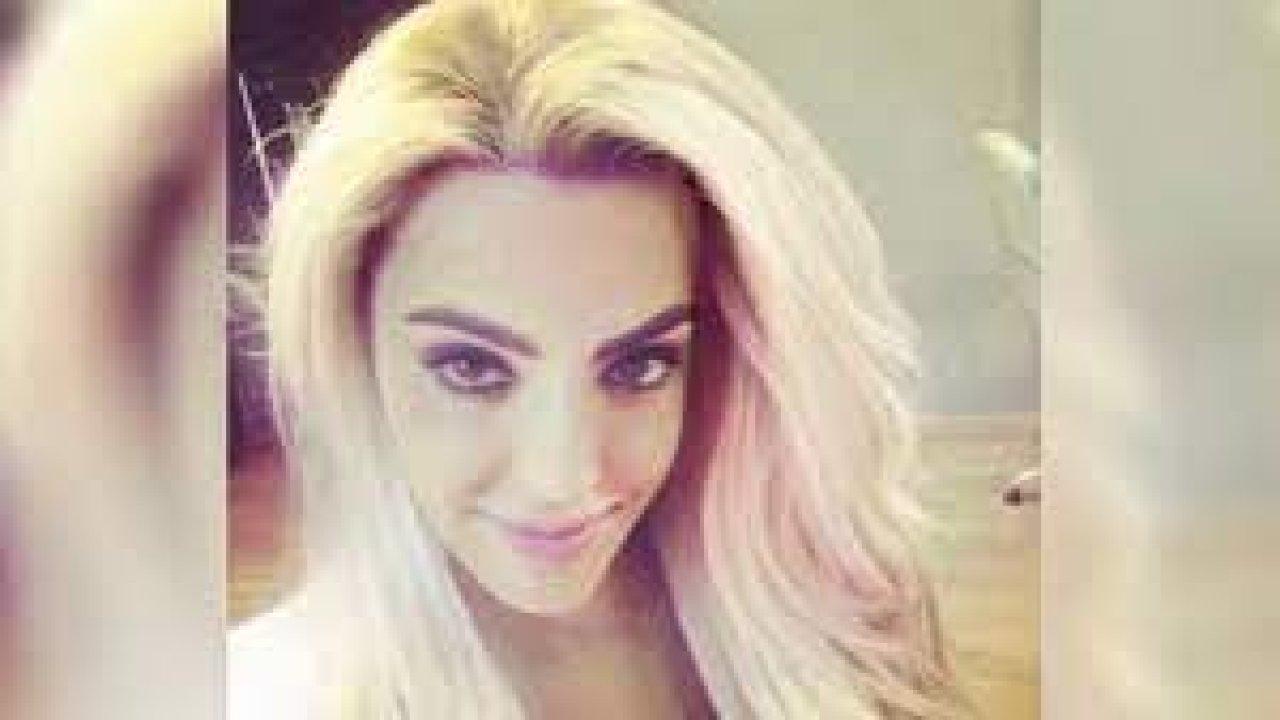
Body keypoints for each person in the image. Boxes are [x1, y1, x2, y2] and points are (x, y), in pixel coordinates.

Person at [232, 0, 964, 717]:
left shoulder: (836, 617)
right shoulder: (265, 694)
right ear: (353, 342)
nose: (563, 479)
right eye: (472, 369)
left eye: (639, 366)